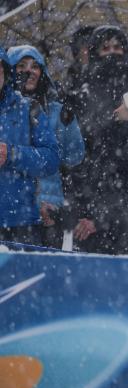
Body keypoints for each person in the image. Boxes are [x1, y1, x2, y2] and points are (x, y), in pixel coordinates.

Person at [68, 25, 128, 254]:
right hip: (89, 208)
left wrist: (104, 216)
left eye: (118, 47)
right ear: (94, 53)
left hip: (127, 215)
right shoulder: (77, 97)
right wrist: (81, 210)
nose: (113, 52)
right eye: (105, 48)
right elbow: (74, 161)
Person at [7, 45, 85, 249]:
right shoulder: (5, 112)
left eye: (35, 66)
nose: (29, 72)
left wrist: (68, 126)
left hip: (51, 208)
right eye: (21, 66)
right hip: (14, 208)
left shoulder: (57, 110)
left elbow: (74, 157)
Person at [0, 46, 59, 245]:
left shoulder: (29, 109)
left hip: (20, 224)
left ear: (5, 74)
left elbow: (51, 159)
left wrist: (12, 154)